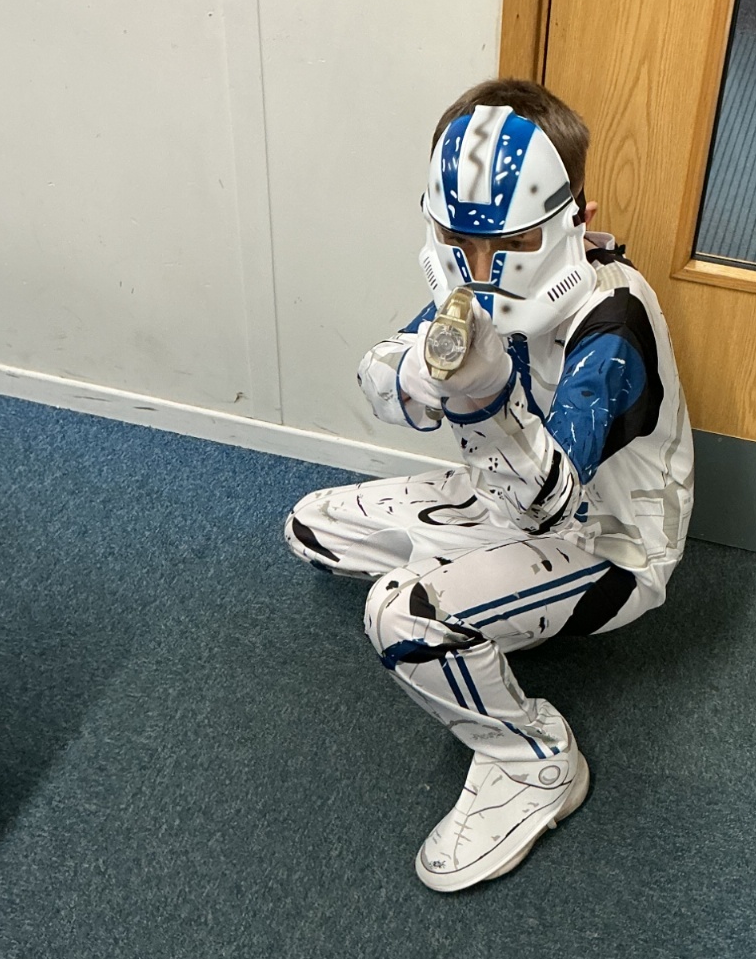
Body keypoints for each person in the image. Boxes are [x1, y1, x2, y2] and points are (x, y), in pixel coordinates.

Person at [284, 79, 693, 892]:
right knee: (310, 526)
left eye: (506, 244)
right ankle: (471, 589)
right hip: (505, 493)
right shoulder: (473, 286)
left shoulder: (611, 321)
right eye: (458, 242)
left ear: (575, 218)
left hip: (611, 538)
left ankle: (533, 759)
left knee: (403, 615)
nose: (479, 273)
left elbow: (549, 501)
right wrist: (416, 369)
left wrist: (478, 399)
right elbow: (387, 369)